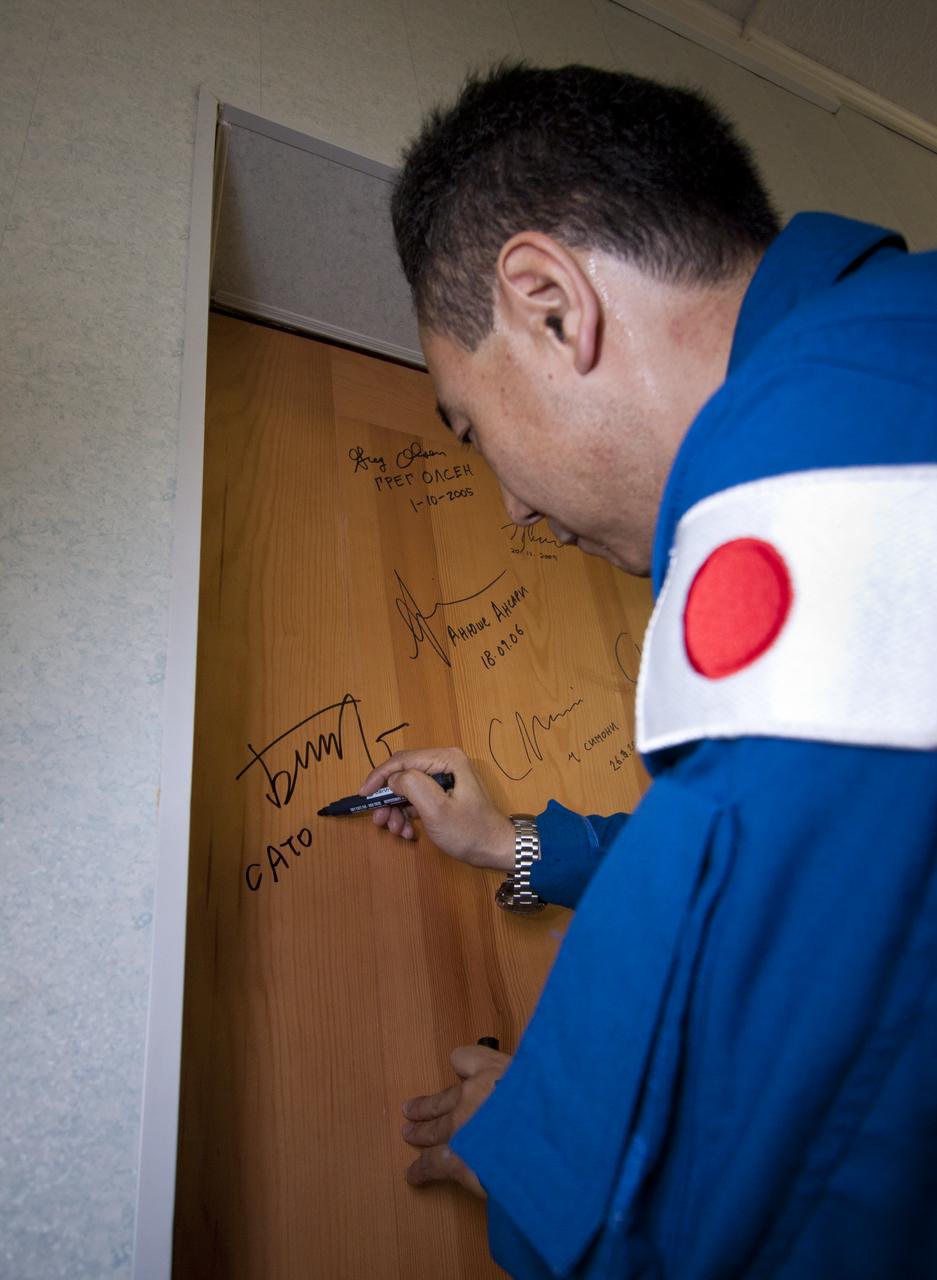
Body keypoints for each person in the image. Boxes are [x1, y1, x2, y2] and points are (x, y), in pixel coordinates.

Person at [359, 63, 937, 1278]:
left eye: (470, 427)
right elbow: (815, 862)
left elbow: (750, 1214)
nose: (511, 505)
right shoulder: (887, 363)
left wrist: (532, 1152)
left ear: (549, 305)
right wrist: (513, 846)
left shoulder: (815, 493)